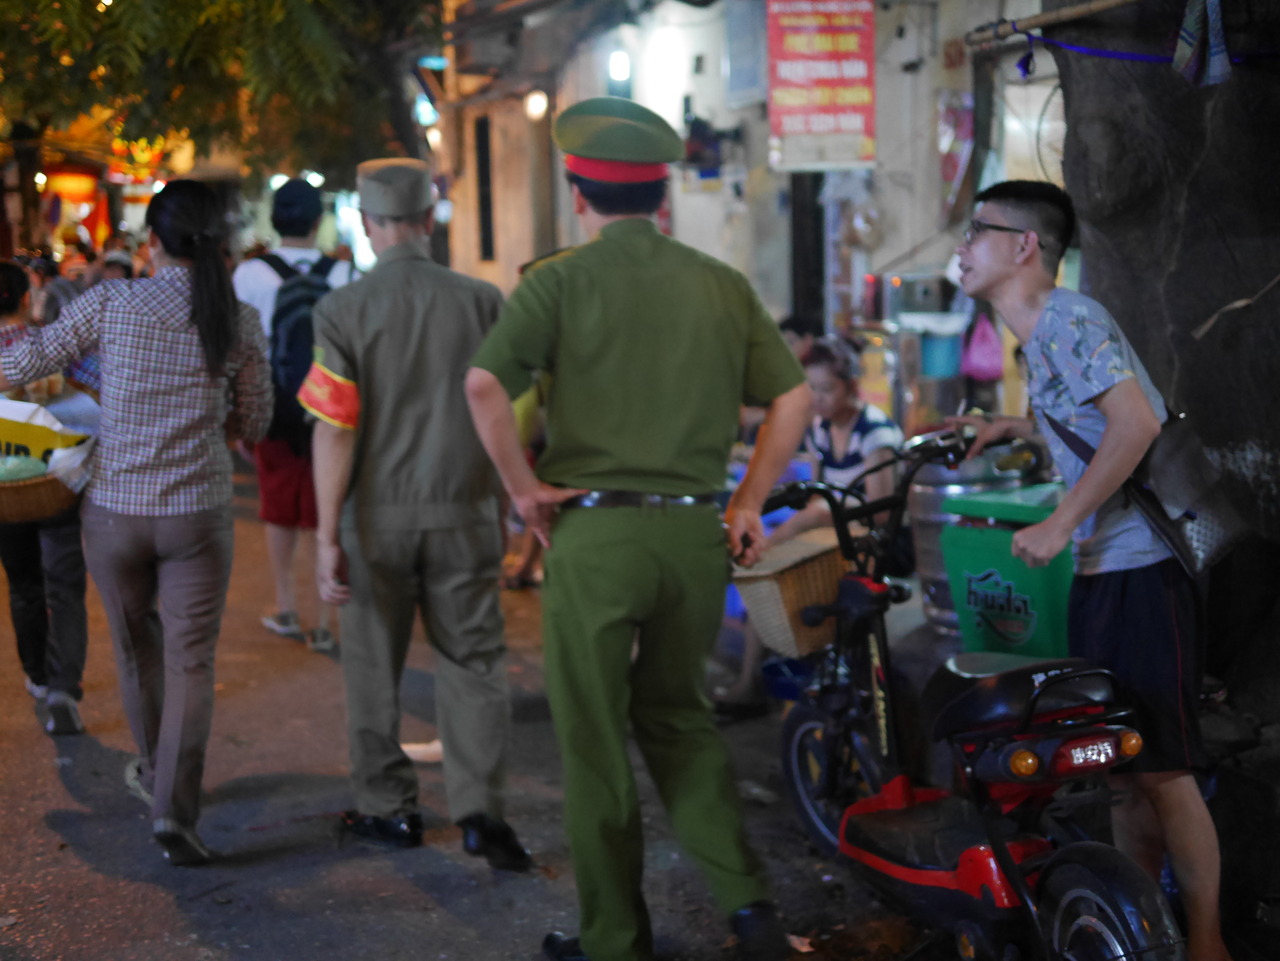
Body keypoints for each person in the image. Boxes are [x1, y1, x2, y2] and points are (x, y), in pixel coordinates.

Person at [465, 96, 812, 961]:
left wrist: (524, 491)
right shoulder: (722, 283)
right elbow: (794, 394)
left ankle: (615, 937)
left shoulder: (555, 281)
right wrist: (745, 502)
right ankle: (750, 908)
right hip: (697, 536)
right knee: (681, 722)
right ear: (663, 197)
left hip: (596, 535)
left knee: (593, 739)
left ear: (579, 193)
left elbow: (481, 387)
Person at [948, 180, 1231, 961]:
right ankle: (1139, 923)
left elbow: (1135, 423)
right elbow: (1086, 426)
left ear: (1023, 246)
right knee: (1121, 763)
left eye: (978, 231)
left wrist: (1059, 521)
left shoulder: (1068, 318)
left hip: (1142, 571)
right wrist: (1008, 425)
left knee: (1164, 767)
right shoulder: (1039, 337)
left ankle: (1206, 943)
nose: (962, 248)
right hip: (1103, 573)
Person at [0, 180, 273, 867]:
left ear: (153, 243)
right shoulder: (236, 319)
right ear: (222, 244)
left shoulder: (113, 302)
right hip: (198, 515)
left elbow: (22, 363)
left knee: (136, 648)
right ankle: (173, 809)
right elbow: (258, 420)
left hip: (116, 511)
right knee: (190, 661)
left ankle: (154, 771)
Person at [299, 158, 530, 869]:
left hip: (374, 520)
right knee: (474, 661)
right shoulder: (483, 301)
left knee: (372, 665)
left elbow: (335, 427)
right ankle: (478, 806)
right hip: (464, 511)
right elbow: (507, 410)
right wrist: (504, 503)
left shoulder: (340, 311)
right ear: (430, 221)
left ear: (368, 228)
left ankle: (388, 807)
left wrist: (326, 534)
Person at [716, 336, 904, 713]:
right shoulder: (819, 428)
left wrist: (820, 512)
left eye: (827, 388)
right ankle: (750, 682)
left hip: (869, 544)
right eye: (811, 389)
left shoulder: (875, 433)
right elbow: (818, 493)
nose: (817, 398)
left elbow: (880, 512)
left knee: (775, 555)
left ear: (852, 386)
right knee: (766, 585)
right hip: (829, 534)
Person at [233, 178, 357, 653]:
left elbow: (242, 351)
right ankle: (325, 620)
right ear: (318, 220)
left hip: (276, 407)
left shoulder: (249, 276)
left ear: (274, 220)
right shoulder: (344, 274)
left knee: (280, 510)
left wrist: (245, 417)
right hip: (334, 408)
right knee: (327, 508)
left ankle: (286, 607)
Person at [0, 261, 90, 736]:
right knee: (66, 586)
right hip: (56, 481)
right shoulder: (48, 344)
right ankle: (62, 686)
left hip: (5, 492)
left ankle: (36, 673)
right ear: (24, 297)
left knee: (23, 586)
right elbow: (88, 394)